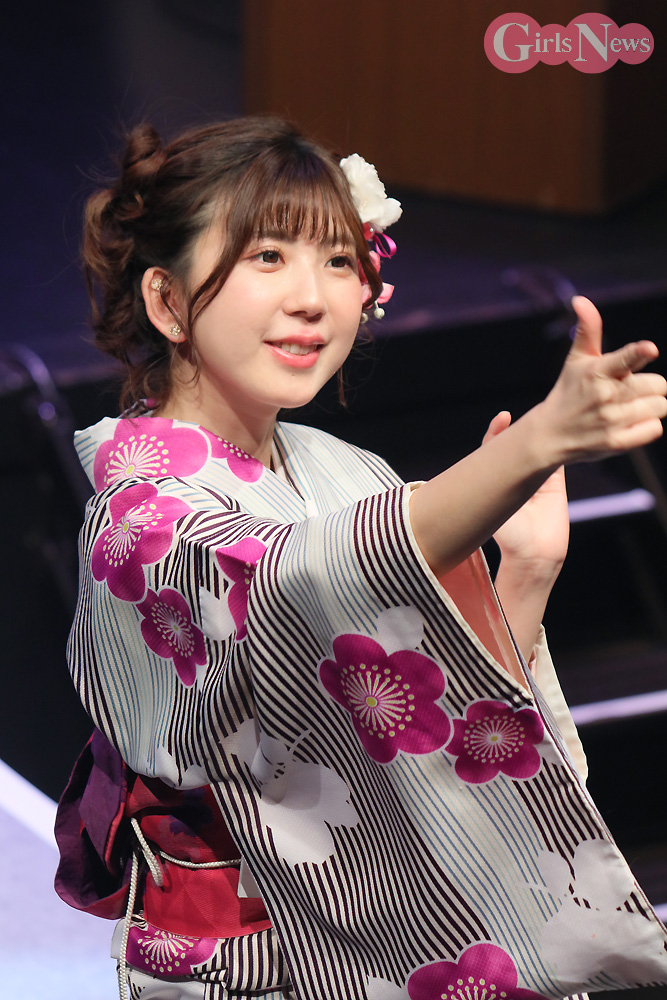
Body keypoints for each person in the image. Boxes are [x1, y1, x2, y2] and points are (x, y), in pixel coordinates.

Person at [55, 117, 667, 1000]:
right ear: (167, 300)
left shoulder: (345, 472)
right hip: (253, 965)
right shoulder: (141, 520)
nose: (312, 297)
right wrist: (531, 446)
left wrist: (522, 578)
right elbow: (292, 578)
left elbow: (435, 725)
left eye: (339, 260)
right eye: (268, 256)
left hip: (382, 928)